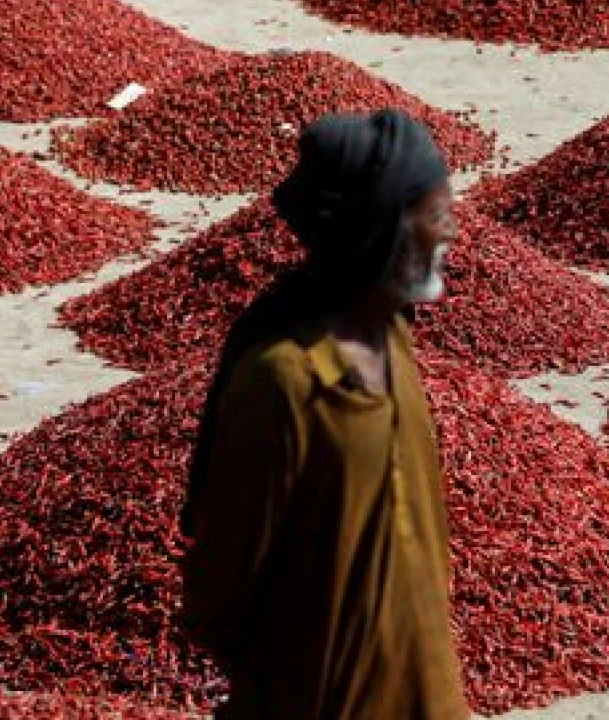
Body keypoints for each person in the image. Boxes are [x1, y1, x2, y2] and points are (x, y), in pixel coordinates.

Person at [181, 108, 469, 720]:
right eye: (435, 213)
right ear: (381, 231)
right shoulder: (285, 380)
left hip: (427, 691)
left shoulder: (394, 337)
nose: (450, 233)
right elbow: (219, 586)